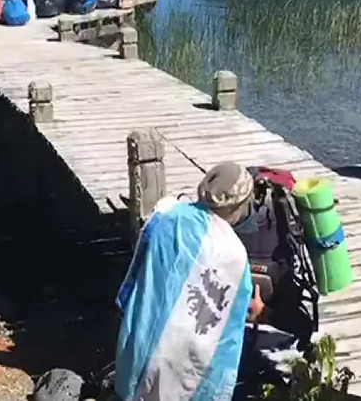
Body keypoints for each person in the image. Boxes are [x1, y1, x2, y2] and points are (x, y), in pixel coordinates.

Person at [113, 162, 263, 401]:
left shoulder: (166, 215)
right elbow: (230, 325)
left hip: (142, 342)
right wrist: (255, 311)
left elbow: (133, 279)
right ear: (239, 205)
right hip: (186, 365)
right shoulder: (235, 254)